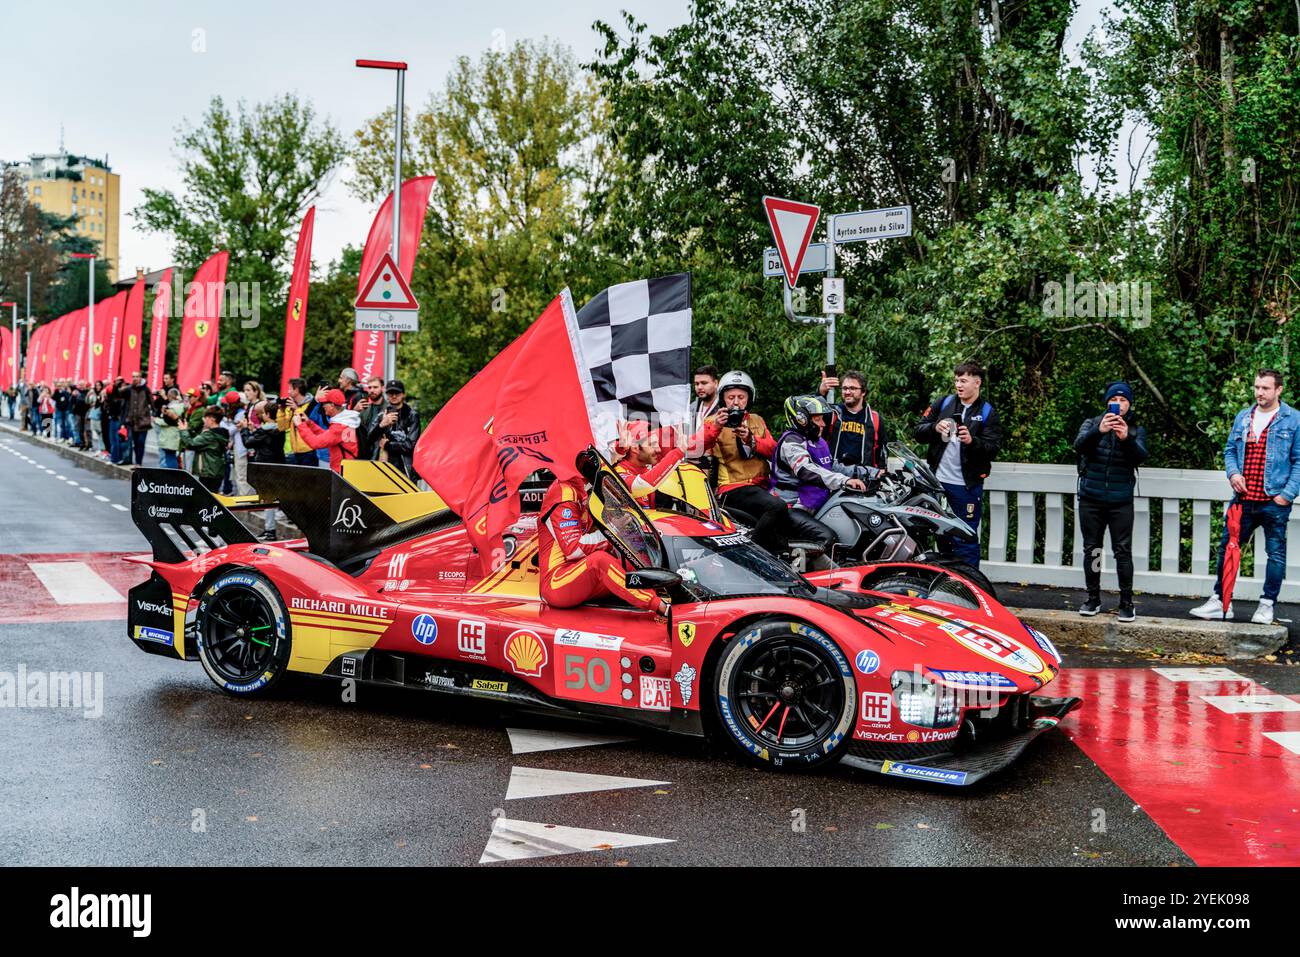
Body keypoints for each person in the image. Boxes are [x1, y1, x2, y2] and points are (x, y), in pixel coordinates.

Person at [1190, 369, 1300, 624]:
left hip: (1274, 501)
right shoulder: (1244, 417)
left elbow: (1298, 461)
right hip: (1242, 500)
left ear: (1278, 390)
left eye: (1266, 388)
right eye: (1257, 387)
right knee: (1226, 549)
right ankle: (1221, 602)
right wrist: (1233, 474)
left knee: (1275, 554)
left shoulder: (1293, 419)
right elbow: (1230, 450)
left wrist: (1286, 495)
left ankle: (1266, 605)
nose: (1260, 393)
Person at [537, 452, 668, 616]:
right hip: (557, 582)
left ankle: (671, 592)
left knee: (630, 552)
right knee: (600, 561)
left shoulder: (588, 486)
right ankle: (661, 607)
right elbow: (573, 549)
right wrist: (613, 531)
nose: (615, 457)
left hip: (583, 576)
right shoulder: (563, 491)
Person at [914, 361, 1003, 569]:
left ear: (977, 383)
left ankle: (971, 587)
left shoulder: (988, 412)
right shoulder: (944, 403)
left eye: (963, 380)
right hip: (938, 485)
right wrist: (934, 427)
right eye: (956, 380)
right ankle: (946, 584)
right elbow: (918, 432)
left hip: (967, 487)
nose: (959, 385)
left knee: (966, 538)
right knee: (941, 537)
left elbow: (993, 448)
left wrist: (972, 441)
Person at [1074, 381, 1149, 621]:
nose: (1118, 404)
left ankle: (1126, 602)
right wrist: (1100, 431)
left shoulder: (1136, 429)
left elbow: (1140, 458)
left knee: (1122, 552)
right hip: (1091, 499)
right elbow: (1079, 446)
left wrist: (1125, 437)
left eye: (1123, 400)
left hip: (1120, 501)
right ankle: (1093, 598)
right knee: (1093, 550)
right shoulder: (1093, 423)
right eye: (1114, 400)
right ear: (1107, 403)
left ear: (1129, 404)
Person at [770, 394, 873, 559]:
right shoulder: (791, 442)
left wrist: (872, 472)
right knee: (827, 538)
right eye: (817, 419)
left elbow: (833, 467)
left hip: (815, 504)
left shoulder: (817, 441)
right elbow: (807, 470)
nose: (823, 424)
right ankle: (793, 568)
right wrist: (844, 481)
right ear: (802, 419)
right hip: (791, 507)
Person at [700, 370, 790, 555]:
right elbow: (700, 448)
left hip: (761, 487)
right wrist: (716, 427)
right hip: (733, 488)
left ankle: (782, 558)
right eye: (731, 396)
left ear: (749, 398)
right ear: (722, 399)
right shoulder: (711, 420)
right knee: (777, 506)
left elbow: (774, 451)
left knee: (785, 521)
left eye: (741, 397)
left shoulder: (756, 420)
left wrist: (751, 439)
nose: (735, 401)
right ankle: (749, 552)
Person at [817, 368, 891, 470]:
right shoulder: (833, 413)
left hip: (864, 477)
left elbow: (882, 450)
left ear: (863, 391)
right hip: (835, 476)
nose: (847, 392)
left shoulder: (874, 418)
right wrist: (820, 392)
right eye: (844, 388)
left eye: (852, 388)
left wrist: (880, 472)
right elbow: (810, 414)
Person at [613, 421, 685, 507]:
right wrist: (679, 451)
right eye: (652, 445)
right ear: (635, 448)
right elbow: (645, 484)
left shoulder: (646, 470)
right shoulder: (618, 473)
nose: (658, 450)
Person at [362, 379, 421, 478]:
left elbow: (411, 445)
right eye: (390, 393)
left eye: (397, 393)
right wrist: (381, 425)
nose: (394, 396)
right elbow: (368, 440)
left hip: (405, 469)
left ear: (403, 394)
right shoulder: (381, 415)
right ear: (387, 395)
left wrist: (388, 445)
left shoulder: (412, 415)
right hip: (383, 466)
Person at [294, 388, 360, 472]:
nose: (323, 406)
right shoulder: (346, 422)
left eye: (325, 403)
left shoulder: (339, 427)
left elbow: (315, 443)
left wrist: (300, 425)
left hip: (341, 473)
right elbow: (329, 436)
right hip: (346, 469)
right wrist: (309, 423)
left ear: (332, 405)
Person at [178, 408, 230, 492]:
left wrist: (183, 431)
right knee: (212, 495)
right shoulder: (219, 433)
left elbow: (191, 444)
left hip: (208, 472)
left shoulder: (210, 435)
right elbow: (199, 441)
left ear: (212, 419)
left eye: (205, 418)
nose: (203, 420)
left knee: (206, 498)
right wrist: (189, 430)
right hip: (215, 470)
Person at [276, 378, 320, 466]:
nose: (288, 392)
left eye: (290, 389)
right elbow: (282, 427)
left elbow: (309, 422)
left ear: (296, 390)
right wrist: (282, 411)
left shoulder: (312, 405)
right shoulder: (291, 406)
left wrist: (297, 409)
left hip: (309, 451)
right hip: (295, 452)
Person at [686, 365, 721, 468]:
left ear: (716, 383)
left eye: (704, 383)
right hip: (694, 464)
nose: (699, 387)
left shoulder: (724, 408)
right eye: (696, 384)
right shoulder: (690, 409)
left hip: (718, 465)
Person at [124, 373, 153, 466]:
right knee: (135, 443)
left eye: (137, 376)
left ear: (141, 378)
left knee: (141, 442)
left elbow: (152, 402)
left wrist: (155, 414)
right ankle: (136, 461)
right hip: (132, 421)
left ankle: (139, 462)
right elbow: (120, 394)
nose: (135, 378)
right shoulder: (129, 389)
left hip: (143, 421)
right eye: (133, 377)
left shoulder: (146, 389)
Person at [156, 388, 187, 469]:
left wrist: (156, 420)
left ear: (170, 396)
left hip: (170, 436)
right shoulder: (181, 405)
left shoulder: (172, 407)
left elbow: (168, 421)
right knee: (172, 456)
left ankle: (173, 477)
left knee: (170, 457)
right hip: (174, 435)